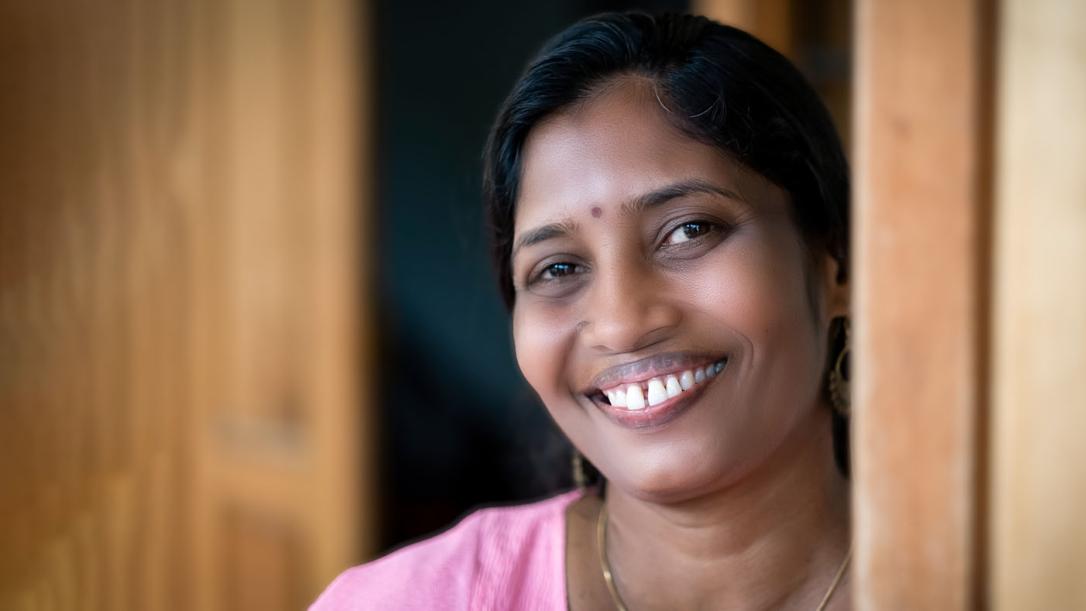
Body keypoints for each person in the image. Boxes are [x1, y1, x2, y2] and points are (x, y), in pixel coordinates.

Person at [312, 10, 852, 610]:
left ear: (835, 264)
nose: (622, 323)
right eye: (559, 269)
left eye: (688, 230)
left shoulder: (963, 576)